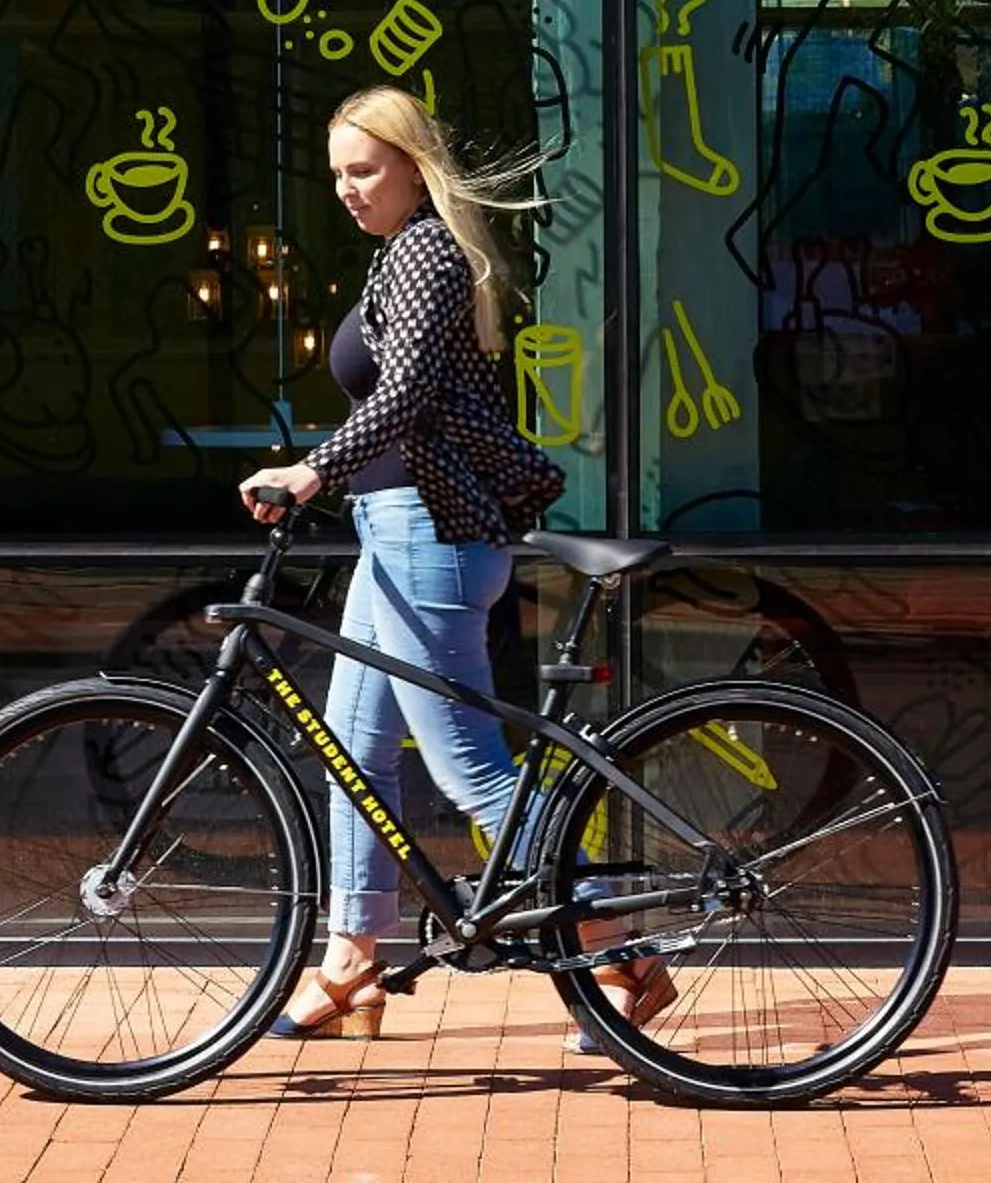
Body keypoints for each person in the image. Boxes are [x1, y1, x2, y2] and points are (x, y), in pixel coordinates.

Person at [237, 86, 670, 1045]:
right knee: (355, 750)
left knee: (469, 764)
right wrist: (335, 480)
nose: (347, 190)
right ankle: (353, 952)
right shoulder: (402, 256)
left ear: (412, 166)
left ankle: (620, 952)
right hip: (395, 528)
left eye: (365, 170)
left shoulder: (428, 251)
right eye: (338, 173)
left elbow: (407, 398)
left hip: (430, 533)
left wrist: (311, 471)